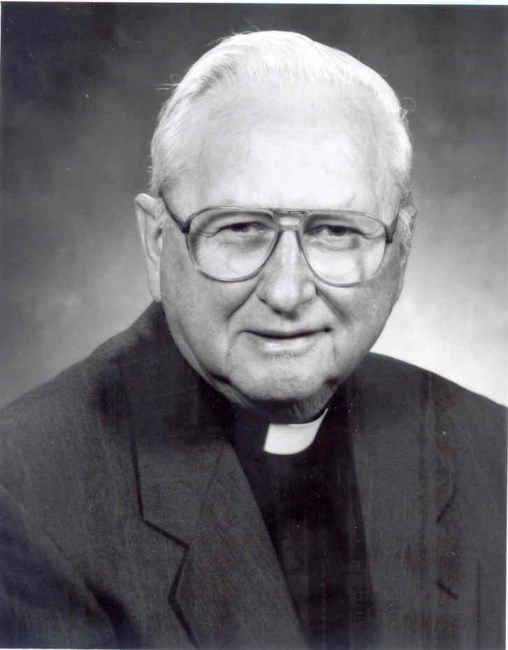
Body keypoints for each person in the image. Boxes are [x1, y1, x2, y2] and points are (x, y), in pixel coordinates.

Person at [0, 31, 505, 650]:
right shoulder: (24, 493)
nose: (287, 291)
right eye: (240, 227)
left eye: (335, 231)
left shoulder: (492, 452)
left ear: (401, 252)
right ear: (157, 243)